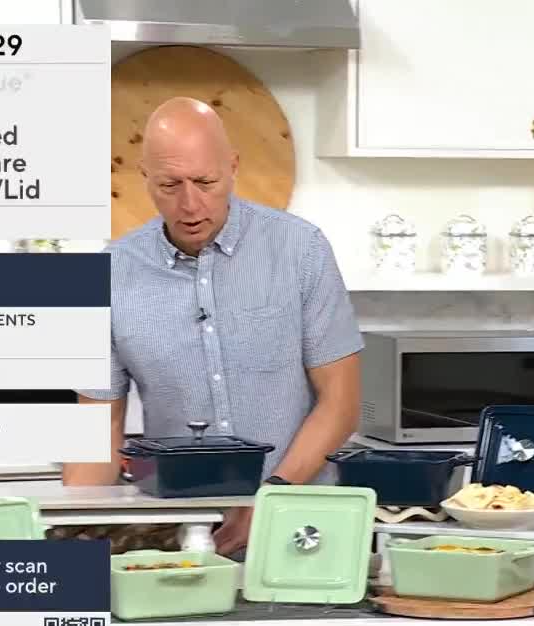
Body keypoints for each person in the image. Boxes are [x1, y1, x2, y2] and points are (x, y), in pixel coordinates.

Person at [62, 97, 364, 555]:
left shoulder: (301, 250)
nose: (190, 204)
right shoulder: (107, 274)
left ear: (233, 167)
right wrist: (73, 535)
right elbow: (99, 426)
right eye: (169, 185)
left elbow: (341, 403)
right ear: (145, 178)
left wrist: (272, 497)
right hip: (177, 535)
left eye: (205, 182)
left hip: (302, 523)